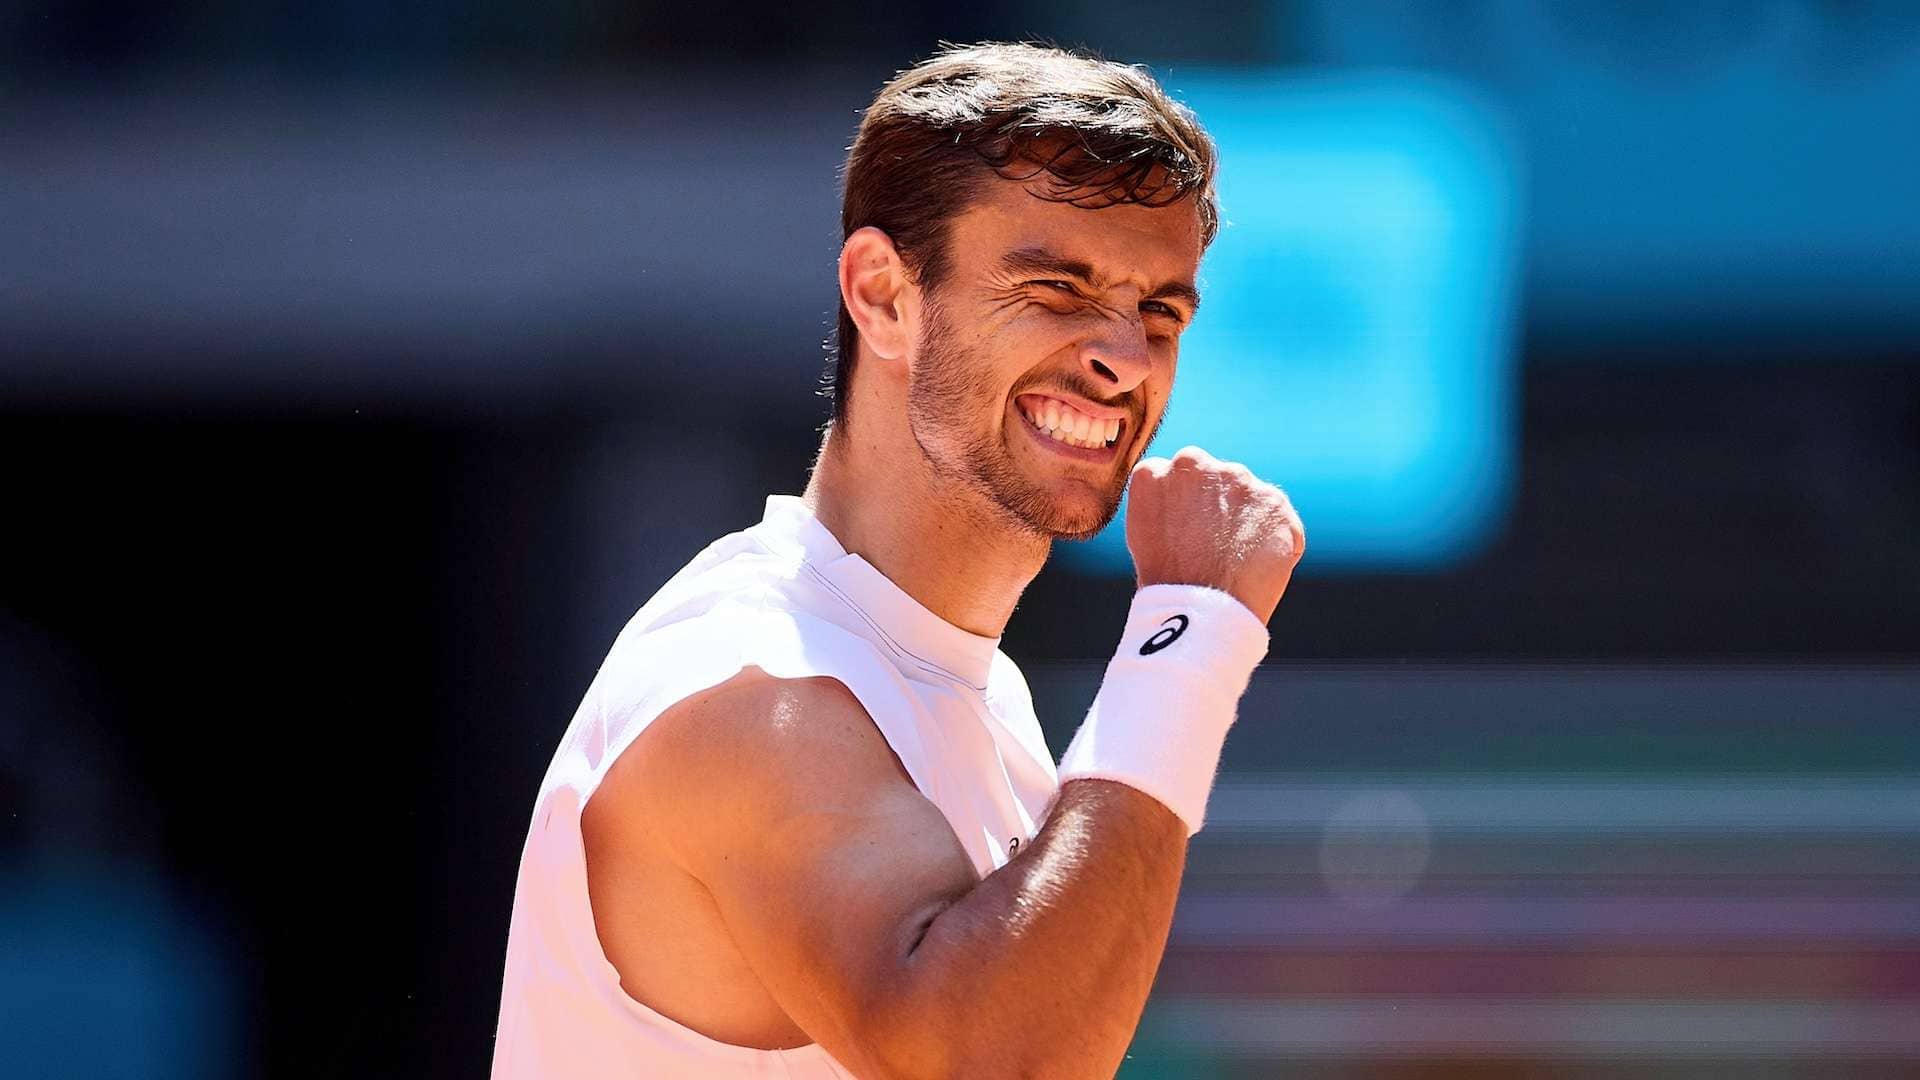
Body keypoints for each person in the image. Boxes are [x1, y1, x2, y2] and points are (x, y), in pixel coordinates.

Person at [491, 41, 1304, 1079]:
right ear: (883, 295)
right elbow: (991, 1062)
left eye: (1160, 310)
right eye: (1058, 288)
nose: (1126, 358)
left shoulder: (963, 686)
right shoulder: (750, 689)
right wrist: (1190, 638)